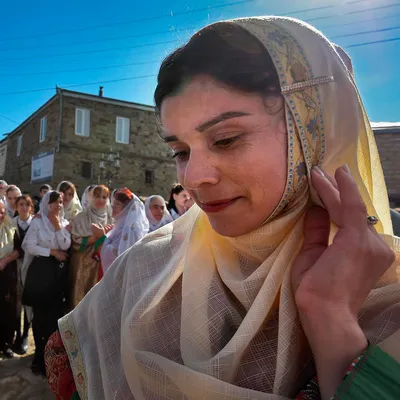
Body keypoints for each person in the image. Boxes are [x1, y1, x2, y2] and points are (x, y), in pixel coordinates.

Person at [46, 17, 400, 400]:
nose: (193, 177)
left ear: (315, 132)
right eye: (180, 152)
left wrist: (334, 328)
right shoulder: (142, 274)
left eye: (226, 139)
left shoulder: (387, 303)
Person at [22, 190, 70, 375]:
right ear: (45, 204)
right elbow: (29, 245)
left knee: (54, 317)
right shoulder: (37, 222)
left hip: (57, 277)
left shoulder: (64, 223)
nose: (58, 205)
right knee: (40, 317)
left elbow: (65, 245)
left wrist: (57, 225)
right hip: (41, 274)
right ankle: (39, 356)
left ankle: (52, 358)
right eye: (53, 202)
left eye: (60, 201)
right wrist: (52, 252)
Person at [69, 185, 113, 309]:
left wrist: (103, 235)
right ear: (90, 197)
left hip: (103, 265)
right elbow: (76, 244)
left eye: (104, 197)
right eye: (97, 196)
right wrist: (96, 237)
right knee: (82, 300)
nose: (101, 200)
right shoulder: (81, 217)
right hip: (83, 265)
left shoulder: (111, 218)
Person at [100, 188, 149, 272]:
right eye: (113, 203)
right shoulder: (119, 225)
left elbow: (114, 254)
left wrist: (101, 237)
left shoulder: (130, 229)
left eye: (117, 204)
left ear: (127, 208)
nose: (113, 206)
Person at [12, 195, 34, 355]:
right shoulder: (11, 224)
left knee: (28, 300)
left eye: (27, 205)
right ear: (16, 207)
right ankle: (17, 335)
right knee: (16, 302)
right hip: (15, 268)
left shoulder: (36, 224)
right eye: (21, 205)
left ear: (31, 207)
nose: (24, 208)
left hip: (32, 268)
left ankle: (26, 334)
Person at [0, 202, 18, 358]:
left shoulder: (11, 229)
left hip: (7, 278)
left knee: (7, 311)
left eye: (2, 212)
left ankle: (6, 345)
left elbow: (19, 250)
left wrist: (5, 260)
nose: (0, 215)